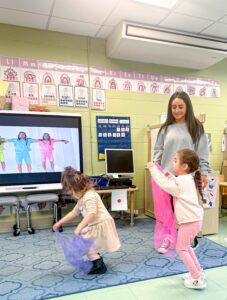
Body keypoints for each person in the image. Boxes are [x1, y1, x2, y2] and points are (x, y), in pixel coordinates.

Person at [153, 91, 210, 253]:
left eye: (180, 107)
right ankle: (168, 237)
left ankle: (190, 238)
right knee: (168, 210)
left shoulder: (196, 127)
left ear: (187, 107)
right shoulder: (165, 129)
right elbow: (158, 151)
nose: (177, 110)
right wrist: (156, 170)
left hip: (188, 178)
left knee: (187, 210)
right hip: (167, 176)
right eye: (173, 107)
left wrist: (204, 172)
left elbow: (203, 152)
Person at [147, 148, 207, 289]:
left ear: (184, 166)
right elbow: (177, 186)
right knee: (185, 247)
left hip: (190, 221)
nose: (173, 163)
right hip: (194, 219)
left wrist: (153, 169)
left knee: (181, 249)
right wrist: (172, 177)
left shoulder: (183, 180)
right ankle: (198, 272)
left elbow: (165, 185)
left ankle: (197, 278)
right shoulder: (186, 178)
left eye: (175, 161)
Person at [53, 167, 121, 275]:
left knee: (87, 244)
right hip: (95, 224)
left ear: (77, 188)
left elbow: (91, 214)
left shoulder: (90, 196)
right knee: (88, 242)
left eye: (72, 192)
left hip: (101, 224)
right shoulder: (83, 197)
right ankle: (96, 260)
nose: (72, 195)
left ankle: (99, 266)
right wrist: (60, 222)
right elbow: (73, 213)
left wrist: (79, 227)